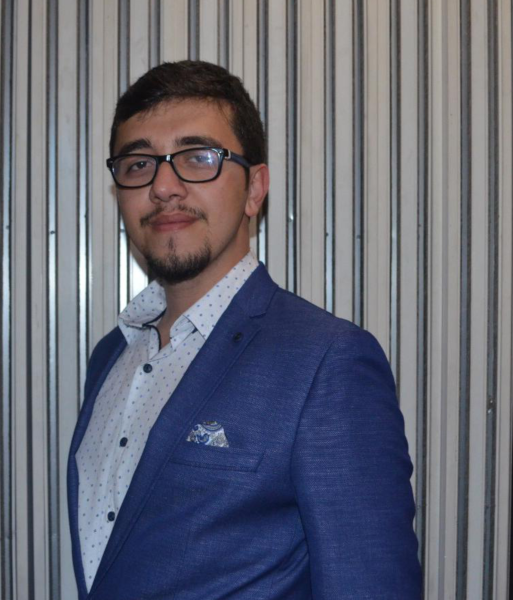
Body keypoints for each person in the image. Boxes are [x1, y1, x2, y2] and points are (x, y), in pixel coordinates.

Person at [67, 60, 422, 600]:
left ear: (255, 188)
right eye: (138, 164)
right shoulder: (109, 356)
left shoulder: (327, 362)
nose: (163, 186)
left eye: (198, 158)